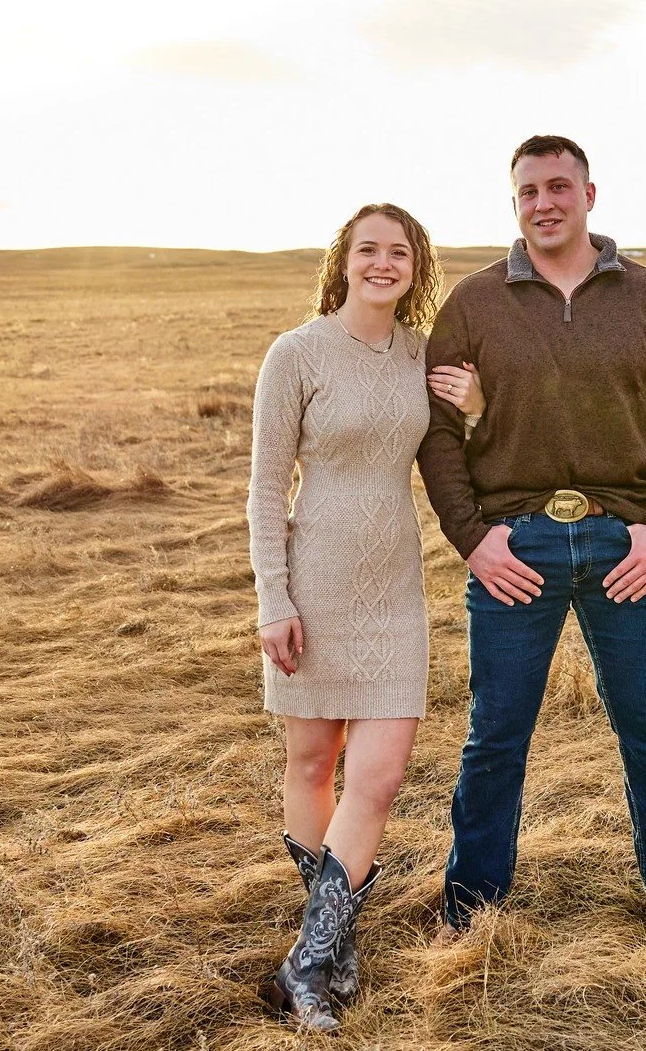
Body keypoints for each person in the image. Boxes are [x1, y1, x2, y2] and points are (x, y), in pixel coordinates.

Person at [417, 135, 646, 967]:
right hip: (515, 545)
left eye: (559, 186)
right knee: (495, 734)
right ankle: (471, 908)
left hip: (626, 542)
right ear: (513, 201)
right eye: (527, 190)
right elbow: (438, 435)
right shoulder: (474, 304)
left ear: (591, 193)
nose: (543, 202)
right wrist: (473, 539)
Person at [248, 202, 483, 1031]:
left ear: (416, 267)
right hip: (314, 582)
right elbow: (266, 489)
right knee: (314, 761)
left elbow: (463, 455)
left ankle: (307, 964)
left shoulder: (424, 357)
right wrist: (273, 600)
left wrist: (478, 404)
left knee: (377, 776)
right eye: (368, 250)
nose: (383, 264)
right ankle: (332, 947)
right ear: (343, 262)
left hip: (394, 592)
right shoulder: (297, 353)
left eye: (399, 252)